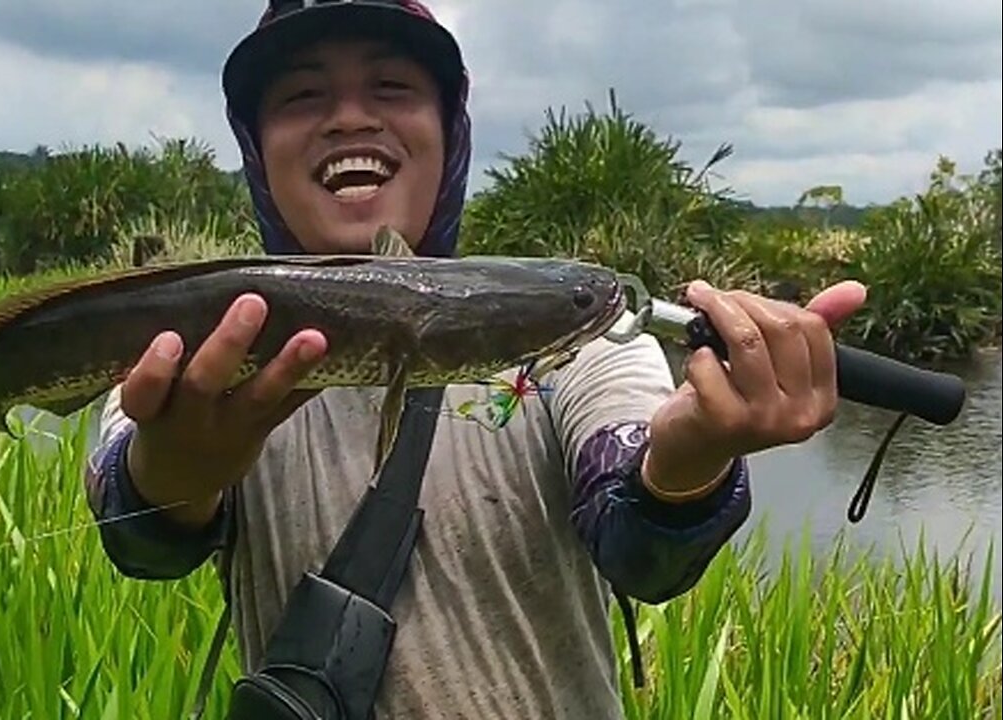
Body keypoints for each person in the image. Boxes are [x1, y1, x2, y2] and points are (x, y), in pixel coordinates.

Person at [83, 1, 867, 717]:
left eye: (391, 86)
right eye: (301, 96)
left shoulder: (575, 341)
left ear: (449, 131)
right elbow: (142, 543)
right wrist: (176, 472)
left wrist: (692, 458)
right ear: (258, 148)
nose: (350, 118)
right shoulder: (193, 349)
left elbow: (643, 551)